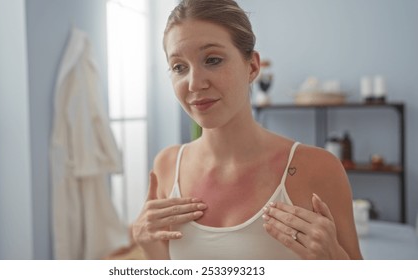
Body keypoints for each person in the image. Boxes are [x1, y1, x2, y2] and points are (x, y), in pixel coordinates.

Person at [132, 0, 362, 260]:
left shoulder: (318, 168)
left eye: (213, 60)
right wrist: (149, 247)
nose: (194, 83)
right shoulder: (166, 166)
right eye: (179, 67)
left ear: (252, 67)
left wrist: (335, 261)